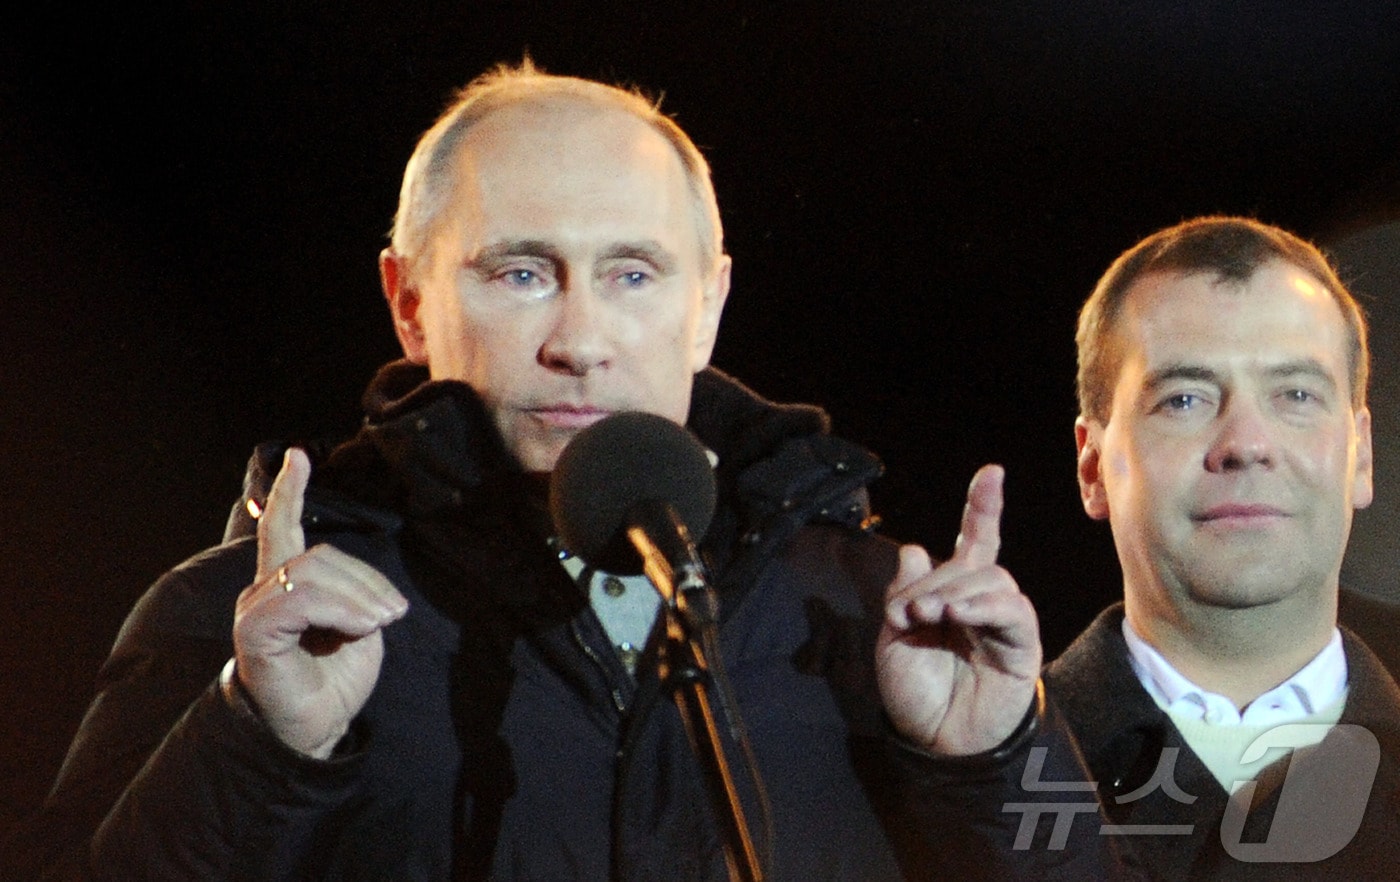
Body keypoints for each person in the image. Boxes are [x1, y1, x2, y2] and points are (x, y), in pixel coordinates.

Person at [2, 62, 1102, 880]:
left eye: (632, 273)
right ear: (409, 302)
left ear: (706, 304)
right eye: (521, 272)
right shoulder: (240, 620)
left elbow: (1078, 865)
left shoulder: (871, 614)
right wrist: (255, 742)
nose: (580, 336)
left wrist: (997, 759)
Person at [1045, 215, 1400, 878]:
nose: (1245, 443)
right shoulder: (961, 779)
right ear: (1093, 466)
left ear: (1361, 457)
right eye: (1185, 399)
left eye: (1295, 394)